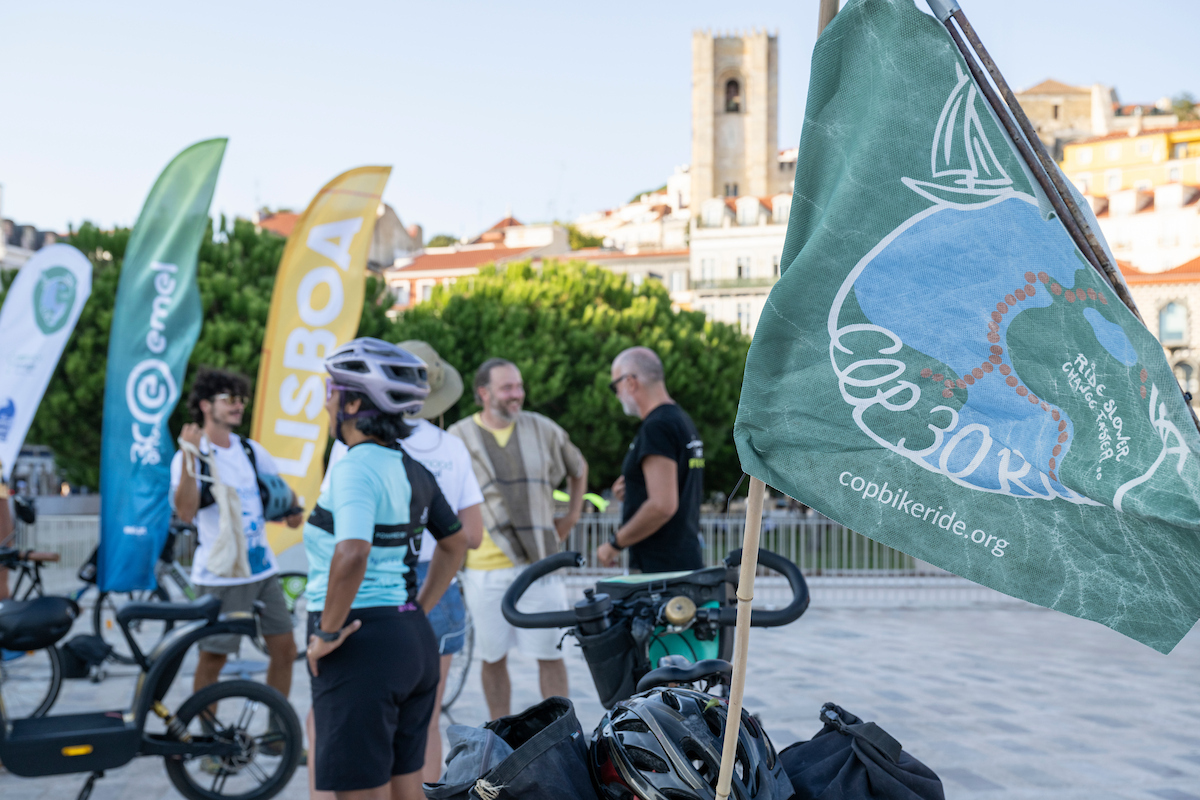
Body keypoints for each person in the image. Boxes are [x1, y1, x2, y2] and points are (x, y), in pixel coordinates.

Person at [305, 338, 468, 800]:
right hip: (409, 640)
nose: (325, 401)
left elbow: (352, 553)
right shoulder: (411, 466)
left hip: (358, 644)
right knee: (406, 792)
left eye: (330, 390)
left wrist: (328, 634)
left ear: (353, 402)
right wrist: (419, 609)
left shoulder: (355, 467)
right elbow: (456, 543)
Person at [449, 358, 588, 720]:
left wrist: (571, 515)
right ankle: (501, 733)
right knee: (491, 657)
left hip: (540, 565)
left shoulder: (542, 429)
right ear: (484, 393)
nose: (517, 394)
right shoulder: (457, 437)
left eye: (519, 386)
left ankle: (563, 730)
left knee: (550, 653)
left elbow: (578, 467)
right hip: (483, 570)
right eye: (508, 387)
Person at [171, 368, 303, 705]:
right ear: (204, 405)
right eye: (229, 399)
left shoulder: (251, 451)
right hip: (222, 576)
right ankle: (208, 747)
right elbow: (185, 512)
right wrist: (188, 455)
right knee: (214, 659)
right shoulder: (192, 456)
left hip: (262, 569)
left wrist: (291, 510)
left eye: (241, 399)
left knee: (285, 650)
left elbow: (285, 501)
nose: (238, 406)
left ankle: (278, 734)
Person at [596, 347, 704, 573]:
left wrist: (614, 544)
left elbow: (662, 505)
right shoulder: (680, 421)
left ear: (630, 382)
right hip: (681, 562)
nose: (616, 395)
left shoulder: (657, 427)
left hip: (660, 570)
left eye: (614, 386)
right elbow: (677, 485)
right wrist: (634, 490)